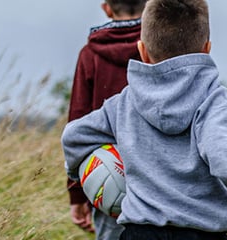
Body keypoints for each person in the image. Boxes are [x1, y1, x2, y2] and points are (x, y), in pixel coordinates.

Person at [61, 0, 227, 239]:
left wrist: (82, 173)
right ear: (207, 48)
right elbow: (226, 160)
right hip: (202, 233)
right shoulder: (214, 101)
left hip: (138, 233)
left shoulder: (122, 103)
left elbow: (73, 137)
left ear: (142, 51)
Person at [66, 0, 147, 238]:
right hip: (164, 179)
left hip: (109, 179)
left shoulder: (90, 54)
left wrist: (78, 193)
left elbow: (78, 124)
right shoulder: (163, 46)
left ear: (107, 9)